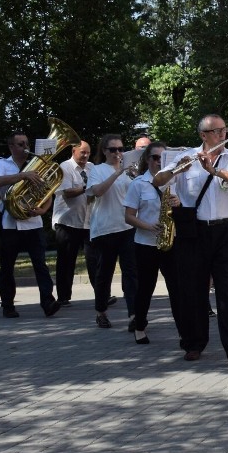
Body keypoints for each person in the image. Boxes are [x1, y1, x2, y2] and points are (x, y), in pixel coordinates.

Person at [153, 114, 228, 365]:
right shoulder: (186, 156)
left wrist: (216, 171)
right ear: (203, 136)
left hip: (225, 230)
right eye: (216, 131)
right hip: (193, 232)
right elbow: (158, 180)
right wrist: (178, 169)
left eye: (223, 130)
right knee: (193, 289)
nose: (222, 135)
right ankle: (194, 342)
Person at [0, 131, 61, 318]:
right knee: (7, 267)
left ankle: (48, 302)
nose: (25, 147)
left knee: (40, 265)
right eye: (21, 144)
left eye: (27, 143)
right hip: (10, 224)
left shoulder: (37, 165)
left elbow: (48, 190)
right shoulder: (1, 163)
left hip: (33, 223)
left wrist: (44, 209)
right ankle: (8, 305)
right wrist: (23, 176)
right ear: (11, 146)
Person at [123, 141, 183, 345]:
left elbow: (188, 212)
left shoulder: (175, 182)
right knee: (145, 288)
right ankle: (139, 326)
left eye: (163, 158)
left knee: (176, 289)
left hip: (171, 243)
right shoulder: (139, 183)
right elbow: (129, 216)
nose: (159, 162)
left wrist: (179, 204)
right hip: (146, 243)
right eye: (155, 158)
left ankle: (184, 331)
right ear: (147, 160)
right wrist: (148, 226)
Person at [87, 134, 137, 329]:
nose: (118, 153)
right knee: (104, 273)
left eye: (120, 149)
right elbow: (96, 192)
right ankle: (101, 311)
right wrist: (117, 173)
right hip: (105, 229)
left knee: (131, 273)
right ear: (104, 151)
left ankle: (134, 315)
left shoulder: (130, 172)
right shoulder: (97, 170)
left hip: (127, 227)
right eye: (113, 150)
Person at [52, 140, 98, 306]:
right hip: (67, 221)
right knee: (66, 261)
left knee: (95, 260)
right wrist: (88, 186)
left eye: (88, 152)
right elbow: (66, 193)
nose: (85, 156)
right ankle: (63, 297)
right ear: (73, 151)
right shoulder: (65, 167)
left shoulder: (92, 167)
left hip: (88, 221)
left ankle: (102, 294)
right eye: (82, 152)